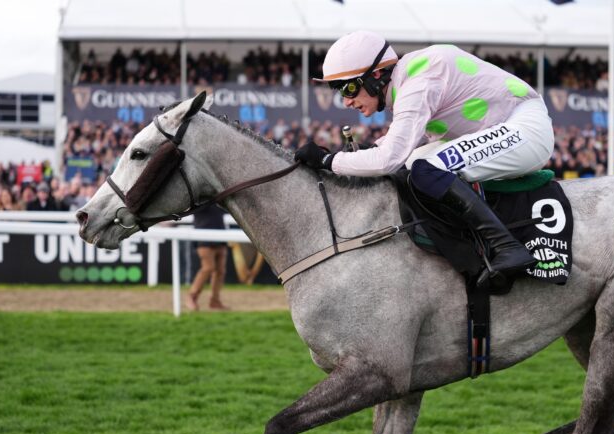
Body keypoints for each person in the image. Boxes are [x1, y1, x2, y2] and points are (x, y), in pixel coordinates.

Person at [294, 30, 555, 287]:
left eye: (349, 88)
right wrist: (366, 150)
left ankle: (507, 246)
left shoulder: (418, 81)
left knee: (424, 169)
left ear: (376, 75)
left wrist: (328, 161)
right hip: (500, 127)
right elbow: (404, 145)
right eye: (341, 92)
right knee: (413, 165)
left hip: (526, 128)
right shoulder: (408, 80)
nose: (347, 101)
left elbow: (388, 159)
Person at [188, 202, 229, 311]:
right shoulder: (198, 200)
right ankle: (192, 297)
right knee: (208, 268)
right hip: (204, 238)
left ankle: (215, 301)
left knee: (220, 271)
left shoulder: (218, 198)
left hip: (220, 237)